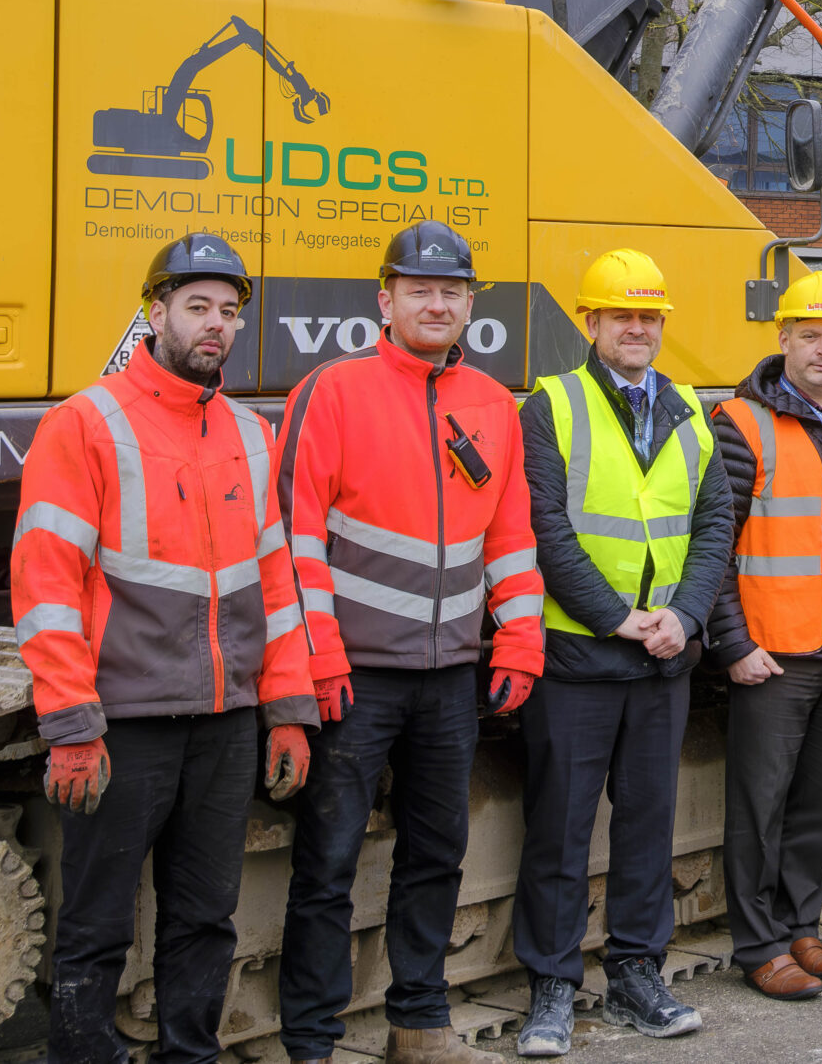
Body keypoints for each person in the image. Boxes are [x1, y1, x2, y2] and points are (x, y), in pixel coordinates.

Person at [13, 234, 315, 1064]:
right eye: (197, 307)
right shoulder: (86, 422)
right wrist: (71, 723)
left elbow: (277, 587)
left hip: (225, 721)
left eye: (228, 311)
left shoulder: (252, 434)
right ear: (155, 312)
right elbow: (47, 584)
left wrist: (288, 710)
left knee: (204, 917)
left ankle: (192, 1053)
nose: (215, 325)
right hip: (126, 722)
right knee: (98, 921)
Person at [276, 221, 546, 1064]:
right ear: (384, 300)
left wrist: (522, 635)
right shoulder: (333, 391)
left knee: (437, 854)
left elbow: (509, 533)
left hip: (448, 678)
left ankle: (419, 1024)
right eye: (419, 289)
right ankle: (312, 1043)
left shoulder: (493, 405)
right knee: (325, 863)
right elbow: (295, 539)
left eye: (453, 291)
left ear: (470, 304)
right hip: (353, 676)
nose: (437, 303)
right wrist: (318, 655)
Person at [512, 250, 736, 1056]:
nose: (637, 328)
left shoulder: (686, 409)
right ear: (591, 322)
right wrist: (618, 617)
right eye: (622, 315)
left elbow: (715, 523)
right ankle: (551, 984)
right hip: (579, 658)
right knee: (560, 828)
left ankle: (638, 970)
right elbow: (545, 526)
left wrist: (683, 613)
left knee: (649, 825)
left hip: (663, 659)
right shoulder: (553, 406)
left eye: (649, 316)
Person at [707, 270, 822, 1001]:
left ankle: (799, 924)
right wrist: (733, 642)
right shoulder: (743, 422)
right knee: (759, 804)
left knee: (821, 799)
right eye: (810, 335)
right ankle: (757, 943)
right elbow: (713, 548)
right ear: (782, 338)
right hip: (774, 652)